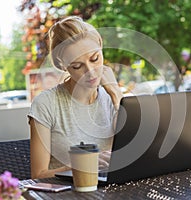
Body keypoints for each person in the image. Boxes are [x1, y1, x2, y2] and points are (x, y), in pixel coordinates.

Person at [28, 16, 123, 179]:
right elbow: (38, 174)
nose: (91, 71)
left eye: (95, 59)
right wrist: (85, 165)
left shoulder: (111, 99)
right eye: (77, 66)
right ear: (63, 65)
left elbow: (138, 154)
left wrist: (117, 95)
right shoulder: (46, 104)